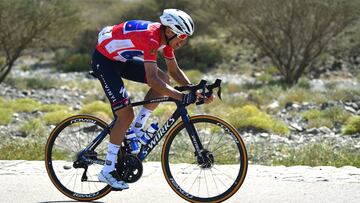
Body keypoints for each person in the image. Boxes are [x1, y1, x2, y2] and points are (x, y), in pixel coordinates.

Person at [91, 9, 214, 189]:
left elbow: (173, 72)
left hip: (122, 59)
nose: (183, 41)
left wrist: (195, 90)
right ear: (170, 31)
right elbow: (152, 80)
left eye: (186, 37)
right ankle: (107, 171)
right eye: (182, 36)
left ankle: (137, 128)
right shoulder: (152, 39)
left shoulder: (167, 40)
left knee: (165, 79)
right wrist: (181, 96)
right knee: (125, 115)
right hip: (105, 60)